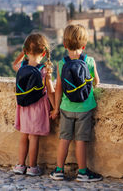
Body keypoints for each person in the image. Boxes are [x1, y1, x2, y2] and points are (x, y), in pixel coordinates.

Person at [50, 24, 103, 182]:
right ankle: (83, 172)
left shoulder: (61, 64)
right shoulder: (90, 61)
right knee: (81, 140)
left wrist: (55, 109)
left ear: (65, 45)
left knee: (64, 138)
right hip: (85, 108)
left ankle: (59, 170)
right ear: (84, 45)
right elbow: (96, 82)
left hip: (66, 107)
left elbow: (58, 88)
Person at [12, 33, 55, 176]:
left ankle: (20, 165)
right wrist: (55, 108)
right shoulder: (43, 70)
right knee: (34, 137)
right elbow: (50, 92)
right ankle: (32, 167)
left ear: (25, 51)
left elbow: (13, 64)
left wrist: (23, 53)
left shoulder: (22, 66)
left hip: (23, 107)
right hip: (37, 107)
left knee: (24, 137)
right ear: (44, 52)